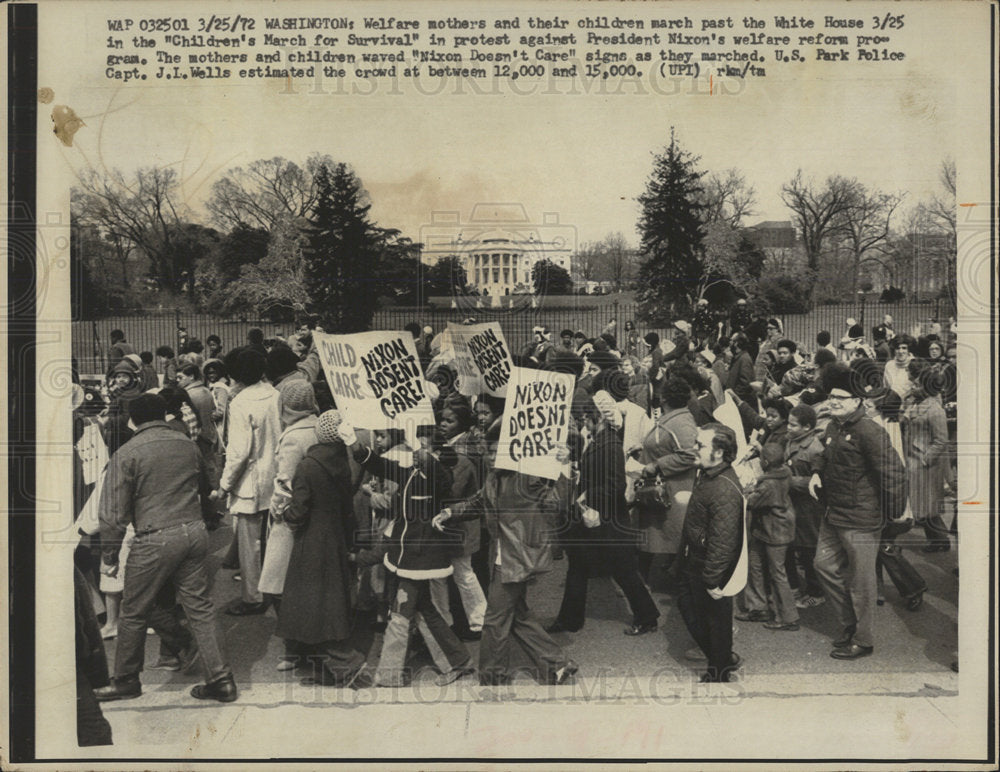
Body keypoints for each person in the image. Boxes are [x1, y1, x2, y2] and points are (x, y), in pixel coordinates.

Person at [94, 393, 237, 703]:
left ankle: (126, 679)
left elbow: (111, 516)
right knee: (199, 607)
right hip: (194, 532)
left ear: (134, 420)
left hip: (154, 536)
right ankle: (222, 679)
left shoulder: (126, 453)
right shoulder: (186, 444)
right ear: (163, 414)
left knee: (134, 609)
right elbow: (205, 484)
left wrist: (109, 557)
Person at [432, 425, 578, 686]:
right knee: (518, 616)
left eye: (494, 451)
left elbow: (557, 504)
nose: (489, 457)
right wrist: (451, 513)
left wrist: (565, 468)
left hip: (517, 558)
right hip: (505, 555)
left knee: (494, 619)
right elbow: (480, 501)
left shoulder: (526, 478)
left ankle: (492, 676)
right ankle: (557, 664)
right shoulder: (494, 475)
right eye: (487, 451)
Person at [341, 421, 474, 688]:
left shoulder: (439, 476)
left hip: (420, 557)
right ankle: (458, 661)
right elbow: (379, 465)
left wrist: (422, 451)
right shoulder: (413, 472)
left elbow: (438, 475)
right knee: (423, 610)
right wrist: (353, 444)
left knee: (400, 613)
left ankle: (388, 674)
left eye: (423, 446)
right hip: (408, 556)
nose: (416, 451)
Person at [811, 363, 907, 660]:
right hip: (834, 514)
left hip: (862, 521)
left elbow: (894, 475)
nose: (834, 400)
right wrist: (816, 472)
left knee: (862, 584)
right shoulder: (833, 426)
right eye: (831, 396)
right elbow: (823, 455)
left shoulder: (869, 431)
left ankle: (863, 640)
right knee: (822, 566)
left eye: (841, 397)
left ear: (857, 401)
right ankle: (849, 624)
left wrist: (892, 516)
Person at [274, 410, 371, 688]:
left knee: (312, 602)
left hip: (312, 539)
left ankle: (343, 664)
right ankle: (329, 664)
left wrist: (285, 512)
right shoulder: (341, 460)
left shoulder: (308, 466)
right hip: (335, 535)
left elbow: (300, 509)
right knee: (330, 599)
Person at [549, 392, 660, 636]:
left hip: (608, 522)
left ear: (596, 417)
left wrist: (588, 494)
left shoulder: (608, 444)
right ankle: (569, 619)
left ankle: (647, 616)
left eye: (584, 418)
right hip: (598, 520)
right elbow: (594, 470)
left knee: (623, 572)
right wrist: (575, 461)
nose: (582, 423)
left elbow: (616, 486)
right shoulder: (601, 440)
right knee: (578, 568)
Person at [676, 423, 745, 683]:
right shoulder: (709, 474)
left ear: (718, 453)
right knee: (692, 609)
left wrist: (713, 579)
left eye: (701, 445)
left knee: (715, 623)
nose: (694, 448)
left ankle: (719, 673)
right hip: (695, 558)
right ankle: (723, 658)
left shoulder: (724, 488)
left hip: (708, 565)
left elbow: (723, 540)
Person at [217, 348, 282, 615]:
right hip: (275, 476)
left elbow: (239, 451)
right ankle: (273, 589)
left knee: (250, 547)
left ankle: (253, 597)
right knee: (272, 541)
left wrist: (224, 485)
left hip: (250, 483)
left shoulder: (241, 402)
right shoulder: (275, 394)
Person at [636, 377, 699, 587]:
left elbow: (690, 455)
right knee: (655, 534)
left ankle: (654, 580)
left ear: (663, 398)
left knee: (666, 534)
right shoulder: (675, 418)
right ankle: (664, 576)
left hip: (671, 490)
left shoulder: (680, 422)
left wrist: (657, 465)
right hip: (663, 487)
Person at [738, 443, 799, 631]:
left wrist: (746, 490)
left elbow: (750, 502)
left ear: (764, 462)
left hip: (774, 532)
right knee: (755, 564)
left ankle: (788, 617)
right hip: (772, 529)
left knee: (777, 573)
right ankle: (758, 607)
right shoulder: (785, 472)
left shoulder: (768, 485)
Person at [901, 359, 951, 552]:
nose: (914, 385)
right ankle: (938, 539)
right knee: (925, 505)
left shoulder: (935, 410)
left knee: (928, 506)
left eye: (918, 383)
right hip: (915, 460)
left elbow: (941, 440)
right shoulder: (918, 402)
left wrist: (925, 459)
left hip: (924, 464)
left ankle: (940, 540)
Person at [784, 404, 827, 608]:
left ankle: (816, 592)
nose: (788, 427)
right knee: (793, 546)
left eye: (793, 425)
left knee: (809, 550)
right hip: (793, 504)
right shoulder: (792, 441)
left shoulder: (815, 449)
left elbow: (819, 483)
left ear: (807, 427)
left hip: (809, 509)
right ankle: (795, 588)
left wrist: (789, 481)